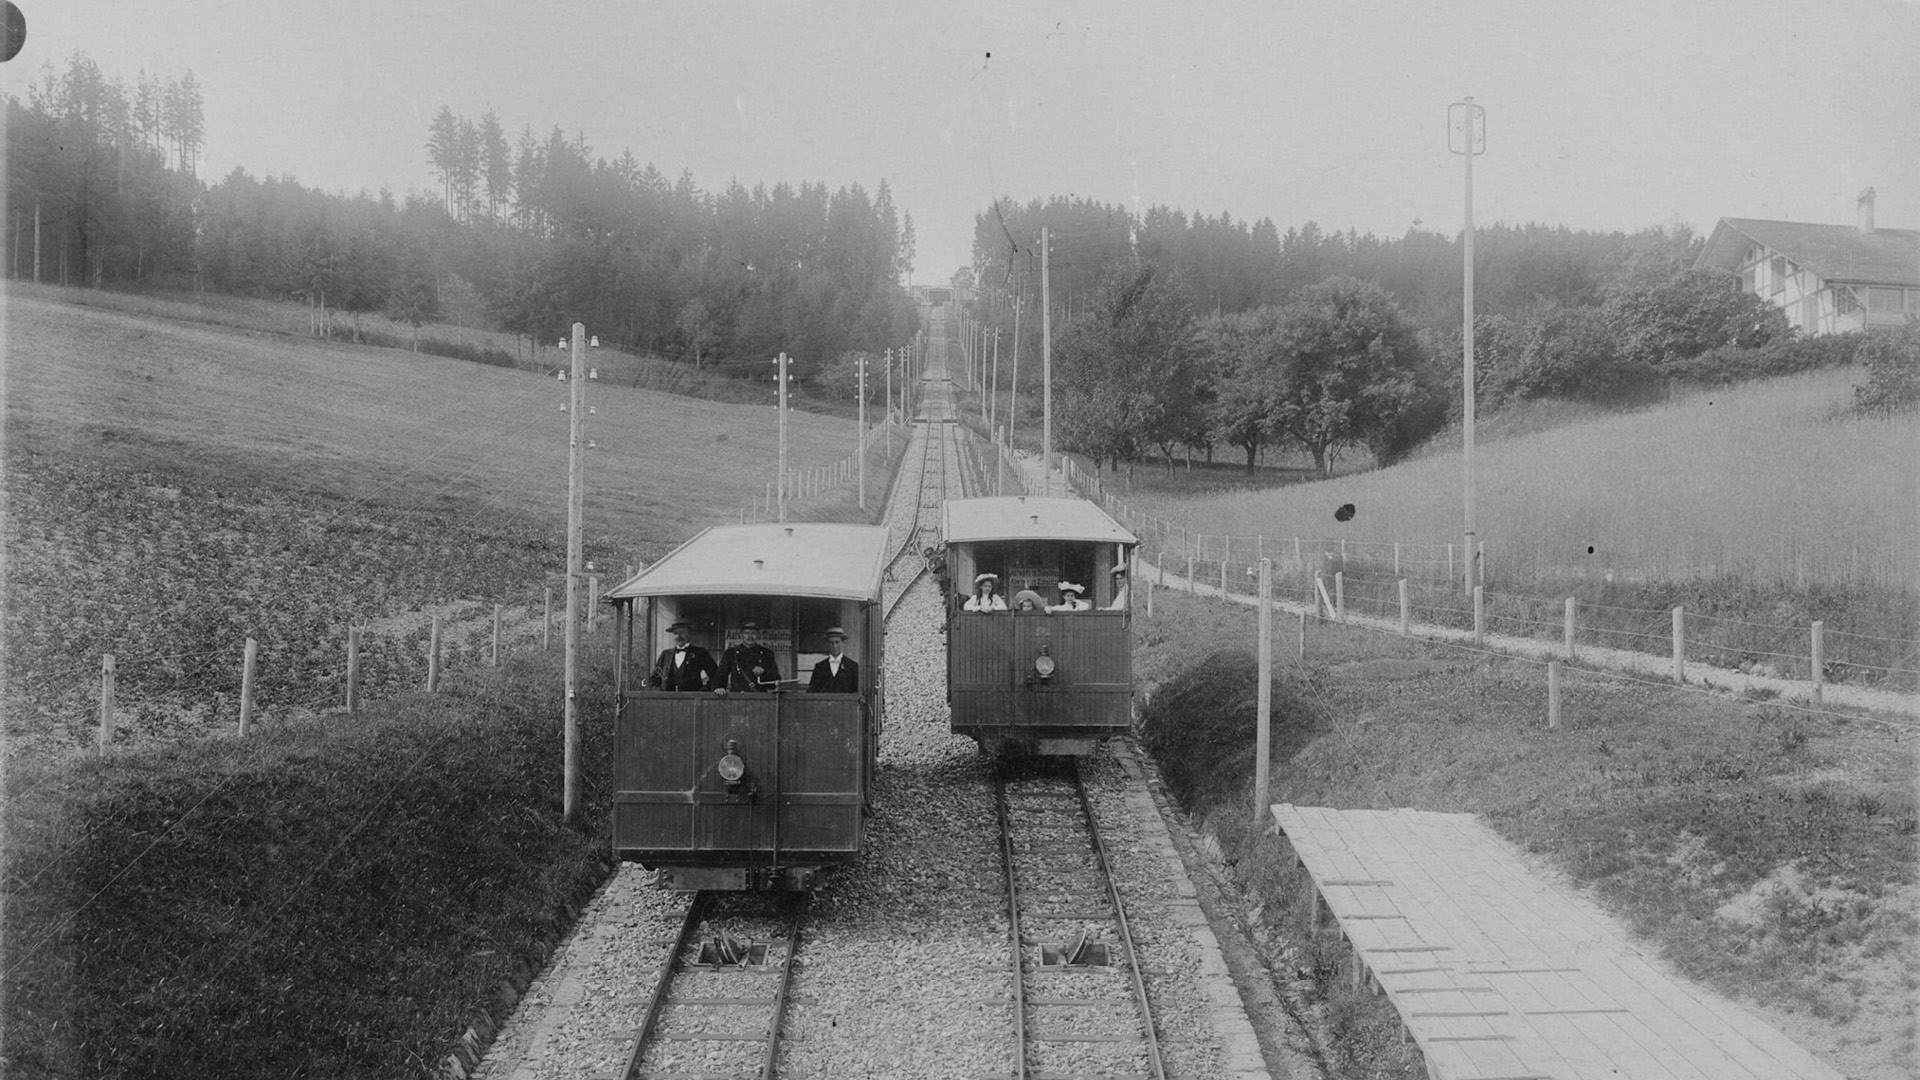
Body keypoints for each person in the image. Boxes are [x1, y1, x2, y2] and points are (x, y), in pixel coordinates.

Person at [648, 620, 719, 691]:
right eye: (675, 633)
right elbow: (654, 679)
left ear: (689, 634)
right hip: (668, 700)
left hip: (692, 699)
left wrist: (704, 690)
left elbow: (716, 675)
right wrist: (659, 693)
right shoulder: (666, 655)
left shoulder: (700, 653)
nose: (678, 636)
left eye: (682, 633)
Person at [716, 620, 782, 694]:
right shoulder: (731, 653)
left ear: (758, 635)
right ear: (741, 635)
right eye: (746, 633)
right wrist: (719, 687)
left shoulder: (767, 654)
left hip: (760, 698)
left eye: (753, 633)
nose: (750, 637)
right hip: (737, 697)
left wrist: (763, 673)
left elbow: (774, 683)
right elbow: (721, 674)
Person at [807, 627, 860, 692]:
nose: (834, 646)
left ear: (843, 643)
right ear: (827, 644)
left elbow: (856, 692)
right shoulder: (819, 667)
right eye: (831, 643)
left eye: (837, 642)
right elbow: (812, 691)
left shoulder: (853, 666)